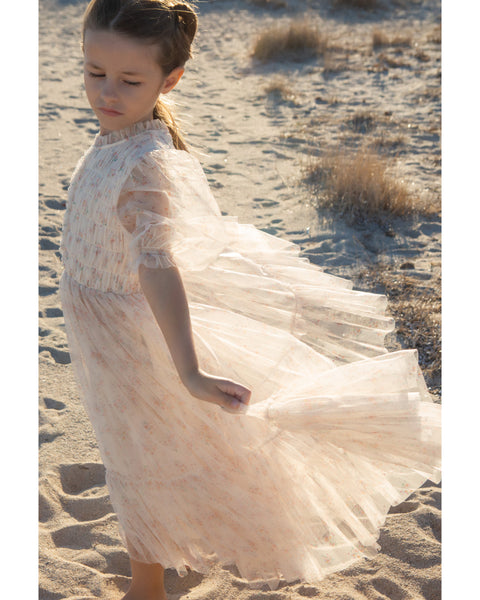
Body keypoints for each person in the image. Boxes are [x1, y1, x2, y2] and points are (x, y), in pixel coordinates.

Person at [59, 1, 441, 598]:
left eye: (129, 80)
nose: (106, 92)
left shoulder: (143, 165)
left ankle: (146, 587)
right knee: (142, 447)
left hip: (131, 339)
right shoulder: (118, 134)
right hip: (102, 326)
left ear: (169, 81)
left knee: (135, 454)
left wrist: (188, 371)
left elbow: (157, 267)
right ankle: (158, 565)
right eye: (94, 72)